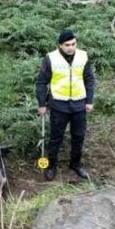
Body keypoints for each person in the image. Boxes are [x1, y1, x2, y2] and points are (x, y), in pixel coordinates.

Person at [36, 29, 95, 181]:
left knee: (79, 136)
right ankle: (51, 166)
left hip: (79, 103)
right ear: (60, 45)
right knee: (56, 138)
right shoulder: (50, 58)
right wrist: (42, 104)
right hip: (58, 104)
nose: (71, 47)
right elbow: (41, 82)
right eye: (67, 45)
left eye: (73, 44)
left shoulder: (83, 56)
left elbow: (89, 79)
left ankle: (75, 164)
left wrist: (89, 100)